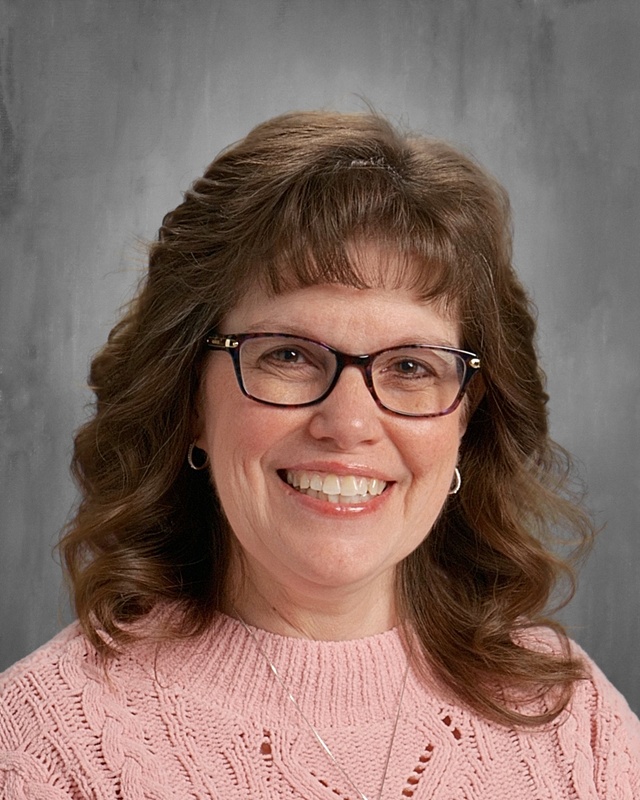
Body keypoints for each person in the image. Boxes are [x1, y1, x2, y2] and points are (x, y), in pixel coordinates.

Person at [1, 111, 638, 800]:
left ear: (466, 420)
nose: (349, 423)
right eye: (289, 355)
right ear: (189, 401)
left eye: (411, 367)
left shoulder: (571, 721)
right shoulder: (46, 747)